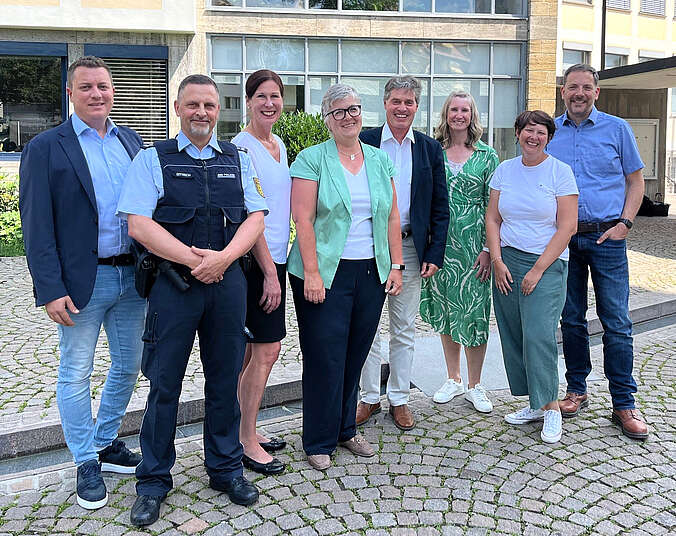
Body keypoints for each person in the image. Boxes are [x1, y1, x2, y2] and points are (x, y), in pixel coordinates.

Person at [117, 74, 268, 526]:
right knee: (164, 385)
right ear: (178, 107)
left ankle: (224, 469)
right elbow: (138, 224)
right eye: (193, 105)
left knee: (224, 382)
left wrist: (222, 259)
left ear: (218, 110)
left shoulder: (237, 159)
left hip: (227, 287)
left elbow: (256, 218)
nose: (202, 112)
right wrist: (194, 260)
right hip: (173, 288)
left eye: (209, 105)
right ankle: (154, 480)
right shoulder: (152, 159)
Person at [19, 56, 145, 511]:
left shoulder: (130, 140)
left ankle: (107, 441)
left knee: (129, 365)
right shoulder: (46, 147)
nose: (97, 94)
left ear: (113, 92)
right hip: (78, 281)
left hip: (132, 276)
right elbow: (35, 224)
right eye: (87, 87)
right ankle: (85, 459)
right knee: (76, 372)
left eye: (103, 86)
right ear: (70, 94)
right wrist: (49, 288)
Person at [289, 83, 404, 471]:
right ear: (327, 119)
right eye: (338, 111)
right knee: (324, 355)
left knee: (356, 352)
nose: (348, 117)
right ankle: (317, 439)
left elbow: (390, 215)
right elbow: (302, 219)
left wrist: (397, 266)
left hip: (371, 269)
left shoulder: (377, 159)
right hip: (323, 271)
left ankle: (345, 429)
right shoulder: (311, 158)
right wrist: (312, 273)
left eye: (353, 109)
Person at [547, 64, 648, 440]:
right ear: (563, 92)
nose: (579, 93)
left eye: (586, 87)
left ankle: (624, 402)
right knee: (571, 319)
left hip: (607, 237)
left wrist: (626, 223)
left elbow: (635, 180)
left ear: (596, 92)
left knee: (617, 321)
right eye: (573, 87)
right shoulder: (550, 132)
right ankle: (577, 390)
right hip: (565, 239)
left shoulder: (617, 129)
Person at [357, 75, 449, 431]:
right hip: (369, 246)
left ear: (416, 106)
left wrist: (434, 252)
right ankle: (368, 398)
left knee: (404, 328)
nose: (402, 108)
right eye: (396, 101)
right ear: (385, 103)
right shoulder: (363, 141)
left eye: (409, 102)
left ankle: (399, 398)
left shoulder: (428, 148)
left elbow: (441, 206)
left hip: (411, 248)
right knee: (366, 327)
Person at [485, 110, 578, 444]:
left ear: (549, 137)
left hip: (547, 264)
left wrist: (538, 269)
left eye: (540, 132)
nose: (533, 137)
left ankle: (552, 409)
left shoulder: (560, 172)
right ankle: (535, 403)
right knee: (514, 333)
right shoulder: (505, 170)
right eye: (527, 130)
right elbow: (493, 218)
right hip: (507, 260)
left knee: (538, 335)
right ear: (518, 133)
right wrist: (496, 259)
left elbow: (568, 226)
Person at [420, 91, 499, 413]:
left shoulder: (487, 155)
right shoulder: (432, 152)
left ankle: (475, 384)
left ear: (472, 115)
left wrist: (487, 249)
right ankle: (452, 378)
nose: (459, 115)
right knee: (448, 310)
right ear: (446, 113)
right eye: (454, 109)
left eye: (465, 110)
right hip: (440, 245)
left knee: (475, 312)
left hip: (474, 247)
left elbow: (493, 207)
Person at [232, 70, 290, 476]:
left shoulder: (278, 145)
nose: (269, 103)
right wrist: (269, 272)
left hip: (279, 259)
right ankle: (246, 440)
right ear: (249, 101)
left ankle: (242, 428)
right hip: (257, 263)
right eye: (262, 97)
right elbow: (252, 217)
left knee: (256, 351)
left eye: (275, 96)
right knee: (267, 349)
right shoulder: (241, 148)